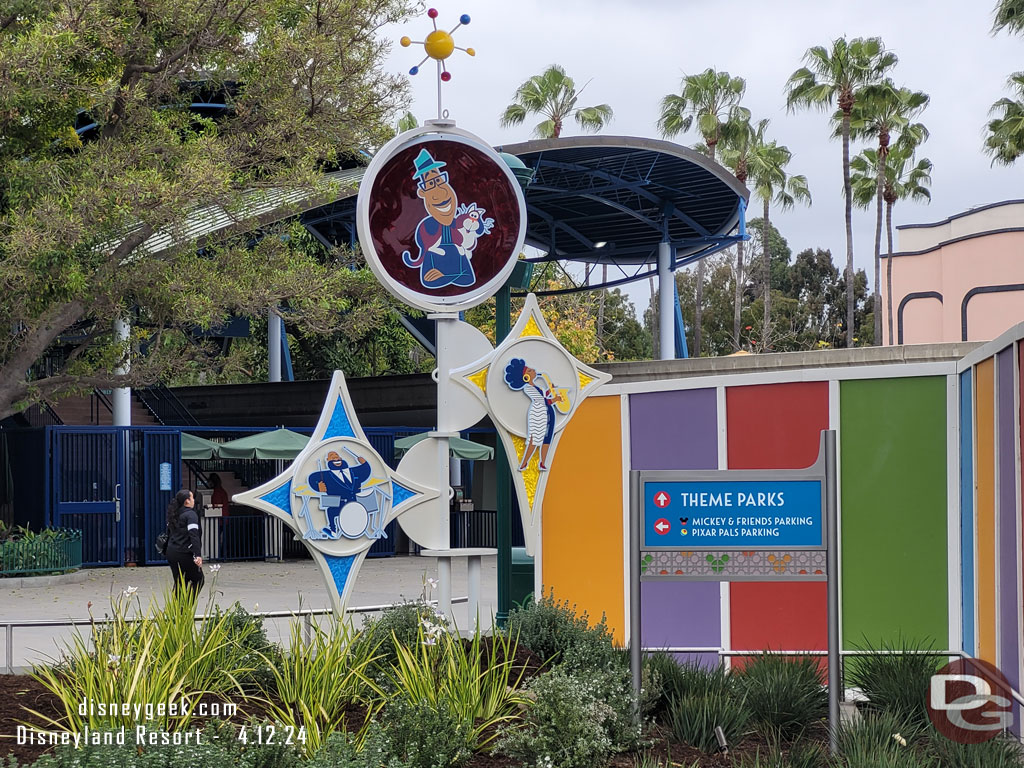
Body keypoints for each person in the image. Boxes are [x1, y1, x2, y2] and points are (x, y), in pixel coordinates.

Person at [503, 358, 565, 471]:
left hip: (548, 413)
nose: (534, 370)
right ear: (525, 377)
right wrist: (555, 399)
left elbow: (544, 396)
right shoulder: (528, 388)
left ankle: (543, 462)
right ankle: (524, 463)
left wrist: (550, 390)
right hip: (538, 415)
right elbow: (542, 400)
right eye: (530, 371)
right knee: (534, 438)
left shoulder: (537, 387)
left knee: (547, 438)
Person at [307, 450, 371, 537]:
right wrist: (318, 486)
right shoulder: (325, 475)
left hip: (356, 502)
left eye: (337, 456)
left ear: (341, 458)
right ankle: (333, 530)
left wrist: (364, 462)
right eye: (332, 457)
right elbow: (311, 478)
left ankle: (359, 529)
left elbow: (366, 470)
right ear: (327, 460)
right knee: (331, 511)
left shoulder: (354, 471)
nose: (335, 458)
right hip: (339, 503)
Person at [165, 489, 204, 598]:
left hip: (172, 551)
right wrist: (198, 555)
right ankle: (186, 609)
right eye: (192, 498)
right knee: (198, 580)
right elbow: (194, 535)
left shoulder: (175, 513)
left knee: (180, 582)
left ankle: (175, 611)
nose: (193, 500)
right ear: (187, 501)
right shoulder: (191, 515)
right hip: (184, 553)